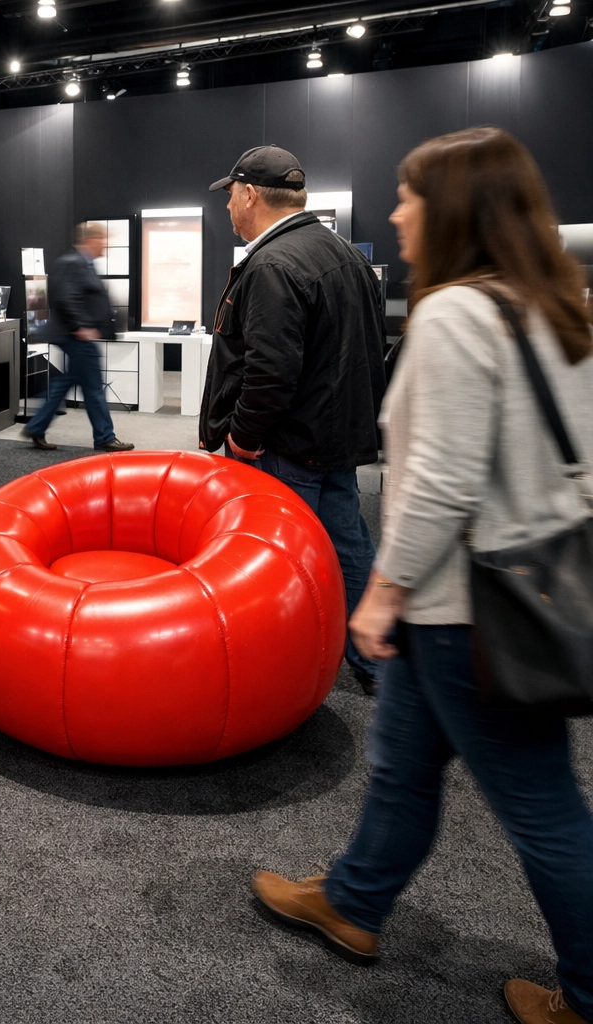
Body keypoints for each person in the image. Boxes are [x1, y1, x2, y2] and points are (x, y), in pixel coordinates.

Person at [252, 127, 593, 1024]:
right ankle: (355, 902)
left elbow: (438, 483)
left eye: (409, 197)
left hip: (464, 606)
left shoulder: (453, 316)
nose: (397, 212)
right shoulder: (559, 312)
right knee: (401, 765)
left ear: (452, 212)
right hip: (526, 587)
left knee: (541, 807)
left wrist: (386, 594)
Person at [200, 145, 387, 693]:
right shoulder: (344, 255)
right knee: (348, 543)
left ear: (251, 194)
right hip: (334, 438)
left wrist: (241, 438)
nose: (228, 207)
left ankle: (279, 672)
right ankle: (375, 662)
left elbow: (271, 370)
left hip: (285, 445)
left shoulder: (273, 264)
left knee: (277, 560)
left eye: (230, 195)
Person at [21, 222, 134, 452]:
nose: (105, 245)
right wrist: (80, 327)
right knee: (93, 386)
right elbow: (66, 298)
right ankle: (104, 437)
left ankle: (37, 425)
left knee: (66, 382)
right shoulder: (73, 263)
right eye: (103, 240)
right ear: (91, 240)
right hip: (76, 336)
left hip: (76, 335)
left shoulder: (83, 264)